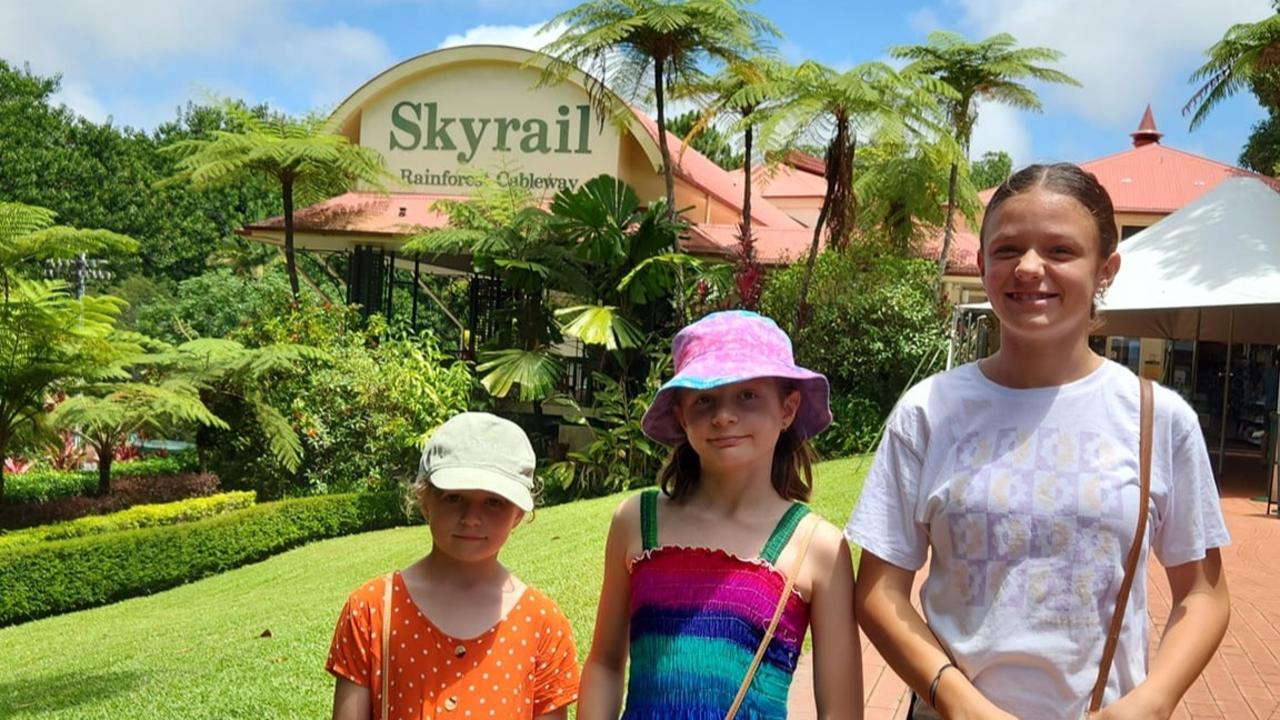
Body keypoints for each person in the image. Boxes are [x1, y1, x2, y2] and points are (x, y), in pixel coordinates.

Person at [848, 163, 1232, 719]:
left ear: (1106, 269)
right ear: (981, 265)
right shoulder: (929, 412)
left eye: (1059, 250)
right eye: (1006, 250)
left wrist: (1152, 701)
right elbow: (878, 592)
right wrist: (959, 704)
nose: (1029, 268)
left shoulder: (1158, 419)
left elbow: (1202, 593)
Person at [578, 310, 862, 719]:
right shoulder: (635, 522)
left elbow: (841, 711)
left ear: (788, 408)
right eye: (704, 399)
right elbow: (605, 662)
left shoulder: (816, 547)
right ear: (680, 414)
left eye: (747, 395)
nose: (724, 415)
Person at [327, 412, 581, 720]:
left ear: (518, 513)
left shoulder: (542, 624)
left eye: (493, 502)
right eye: (454, 497)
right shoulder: (371, 610)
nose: (471, 517)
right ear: (424, 499)